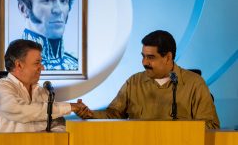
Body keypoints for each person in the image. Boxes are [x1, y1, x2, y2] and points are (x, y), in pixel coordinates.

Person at [75, 30, 220, 129]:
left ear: (168, 57)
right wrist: (91, 114)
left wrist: (178, 129)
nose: (144, 62)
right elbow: (113, 114)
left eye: (151, 57)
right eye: (143, 56)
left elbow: (211, 126)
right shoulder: (134, 82)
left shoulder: (194, 84)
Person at [0, 39, 84, 132]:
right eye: (37, 63)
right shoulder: (0, 88)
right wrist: (70, 107)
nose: (42, 67)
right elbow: (23, 111)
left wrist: (47, 137)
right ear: (19, 65)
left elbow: (59, 125)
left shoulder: (44, 92)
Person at [13, 0, 78, 70]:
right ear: (23, 9)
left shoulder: (76, 64)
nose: (58, 10)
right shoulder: (12, 64)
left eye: (63, 0)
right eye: (47, 0)